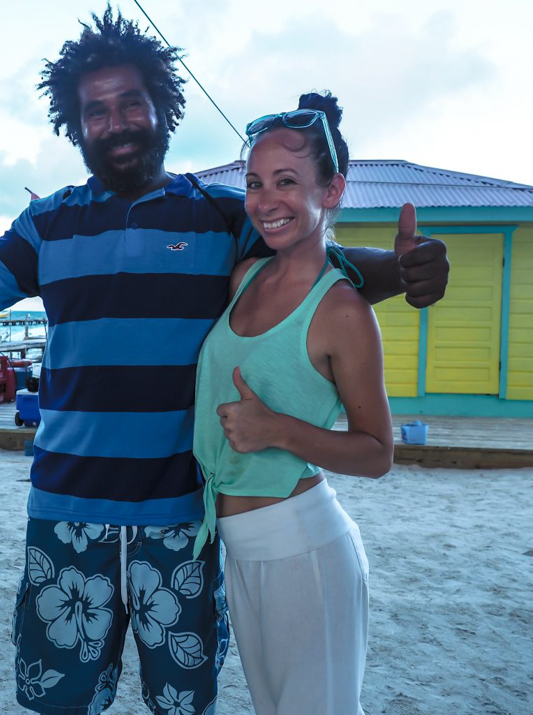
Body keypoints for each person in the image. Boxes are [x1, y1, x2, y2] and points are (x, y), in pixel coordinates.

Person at [0, 8, 448, 715]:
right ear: (75, 124)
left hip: (179, 514)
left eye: (131, 103)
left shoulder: (219, 215)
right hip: (67, 510)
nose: (115, 122)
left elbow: (320, 264)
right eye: (96, 110)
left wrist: (403, 271)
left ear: (162, 108)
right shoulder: (49, 222)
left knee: (182, 700)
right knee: (61, 700)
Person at [192, 92, 392, 714]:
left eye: (286, 181)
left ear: (330, 192)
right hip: (237, 544)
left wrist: (276, 428)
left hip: (303, 548)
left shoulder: (343, 312)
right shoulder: (245, 277)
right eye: (255, 183)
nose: (265, 200)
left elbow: (377, 453)